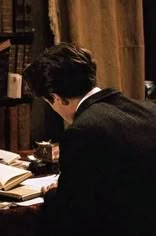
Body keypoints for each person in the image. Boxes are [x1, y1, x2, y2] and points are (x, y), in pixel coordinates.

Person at [23, 42, 156, 236]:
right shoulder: (150, 109)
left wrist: (52, 193)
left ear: (57, 98)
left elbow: (71, 212)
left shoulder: (82, 131)